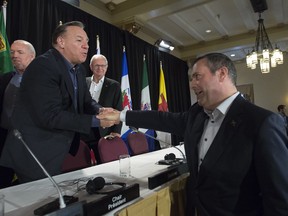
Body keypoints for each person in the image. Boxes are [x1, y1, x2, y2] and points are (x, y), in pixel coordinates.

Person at [98, 53, 288, 215]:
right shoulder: (196, 113)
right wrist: (120, 115)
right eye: (191, 78)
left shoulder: (262, 122)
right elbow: (162, 119)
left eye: (197, 77)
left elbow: (279, 198)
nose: (192, 84)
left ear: (222, 73)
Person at [0, 21, 115, 183]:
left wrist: (101, 110)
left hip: (57, 149)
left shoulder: (78, 70)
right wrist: (97, 121)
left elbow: (86, 102)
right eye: (79, 40)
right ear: (61, 42)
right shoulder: (43, 66)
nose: (86, 46)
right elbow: (50, 116)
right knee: (39, 204)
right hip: (34, 152)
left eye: (87, 42)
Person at [0, 40, 36, 188]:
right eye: (12, 52)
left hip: (29, 142)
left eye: (20, 52)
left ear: (32, 57)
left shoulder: (43, 81)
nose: (14, 56)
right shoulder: (4, 78)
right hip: (3, 139)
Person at [82, 54, 122, 163]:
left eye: (103, 65)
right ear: (91, 67)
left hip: (104, 131)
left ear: (107, 67)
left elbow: (118, 109)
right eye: (96, 66)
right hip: (84, 129)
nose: (100, 68)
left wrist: (116, 131)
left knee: (104, 162)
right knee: (82, 163)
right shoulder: (82, 82)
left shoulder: (114, 85)